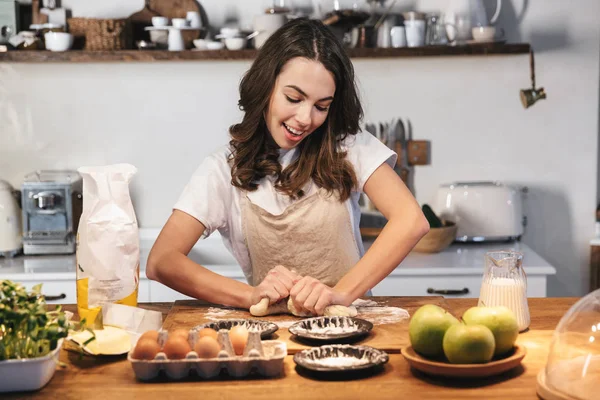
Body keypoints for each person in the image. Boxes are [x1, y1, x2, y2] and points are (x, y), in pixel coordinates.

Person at [146, 18, 429, 315]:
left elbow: (411, 220)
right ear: (266, 86)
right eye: (294, 98)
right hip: (272, 342)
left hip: (351, 331)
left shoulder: (348, 146)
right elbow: (162, 260)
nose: (306, 118)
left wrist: (341, 294)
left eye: (322, 106)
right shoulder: (222, 169)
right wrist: (249, 295)